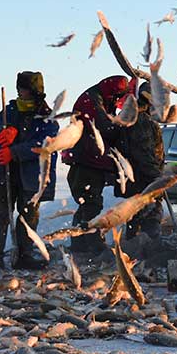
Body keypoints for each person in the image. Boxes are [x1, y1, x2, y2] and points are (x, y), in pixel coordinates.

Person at [0, 71, 59, 271]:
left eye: (24, 90)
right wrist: (4, 129)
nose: (21, 93)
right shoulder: (10, 110)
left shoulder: (48, 118)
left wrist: (15, 152)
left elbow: (45, 145)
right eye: (19, 89)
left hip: (33, 175)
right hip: (4, 172)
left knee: (28, 215)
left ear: (35, 92)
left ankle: (24, 255)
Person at [62, 75, 130, 254]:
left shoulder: (97, 98)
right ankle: (94, 245)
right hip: (87, 161)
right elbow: (106, 128)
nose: (118, 101)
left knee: (86, 203)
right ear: (112, 93)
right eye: (118, 97)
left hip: (87, 159)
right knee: (91, 203)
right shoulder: (92, 102)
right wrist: (125, 125)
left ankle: (78, 244)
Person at [118, 82, 164, 241]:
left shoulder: (132, 117)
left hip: (137, 179)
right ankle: (147, 251)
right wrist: (158, 179)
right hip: (144, 180)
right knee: (150, 215)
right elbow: (144, 154)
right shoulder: (141, 121)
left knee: (136, 217)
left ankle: (133, 248)